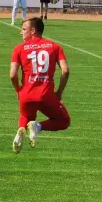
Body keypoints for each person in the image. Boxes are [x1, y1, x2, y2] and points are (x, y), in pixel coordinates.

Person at [10, 17, 70, 153]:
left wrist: (18, 90)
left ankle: (19, 135)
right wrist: (60, 91)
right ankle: (38, 126)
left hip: (26, 94)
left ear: (33, 31)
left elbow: (13, 75)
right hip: (46, 95)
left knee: (26, 114)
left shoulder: (19, 48)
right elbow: (65, 71)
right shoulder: (55, 47)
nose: (21, 32)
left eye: (23, 29)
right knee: (64, 121)